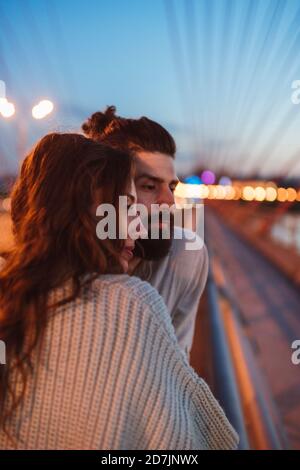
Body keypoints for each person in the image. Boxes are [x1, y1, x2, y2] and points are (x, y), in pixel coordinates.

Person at [0, 132, 238, 450]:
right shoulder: (130, 303)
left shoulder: (12, 293)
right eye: (126, 208)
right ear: (86, 213)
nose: (137, 229)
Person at [82, 106, 209, 361]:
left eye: (172, 187)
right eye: (149, 186)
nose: (169, 202)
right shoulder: (61, 265)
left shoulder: (187, 256)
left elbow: (176, 365)